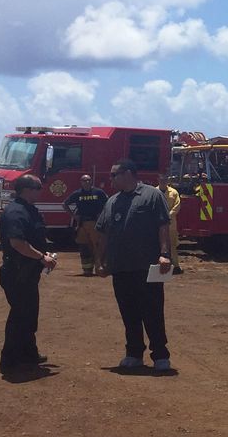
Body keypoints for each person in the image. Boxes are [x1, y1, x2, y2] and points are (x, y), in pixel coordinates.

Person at [94, 159, 174, 371]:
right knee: (129, 313)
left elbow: (163, 225)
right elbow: (101, 232)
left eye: (114, 175)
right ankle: (134, 353)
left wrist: (165, 254)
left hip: (146, 267)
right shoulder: (112, 201)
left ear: (128, 173)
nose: (110, 179)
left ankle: (160, 356)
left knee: (153, 312)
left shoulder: (151, 195)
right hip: (120, 267)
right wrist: (99, 261)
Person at [0, 174, 57, 373]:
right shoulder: (16, 211)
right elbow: (18, 243)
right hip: (17, 271)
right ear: (27, 189)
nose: (41, 191)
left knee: (29, 314)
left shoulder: (28, 210)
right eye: (38, 187)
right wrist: (41, 257)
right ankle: (10, 360)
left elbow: (33, 238)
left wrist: (43, 252)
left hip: (27, 271)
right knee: (20, 316)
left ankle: (28, 354)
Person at [63, 174, 108, 276]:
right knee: (84, 246)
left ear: (91, 181)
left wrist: (103, 216)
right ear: (81, 182)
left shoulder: (98, 192)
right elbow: (65, 204)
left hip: (95, 223)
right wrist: (74, 216)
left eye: (88, 180)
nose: (86, 182)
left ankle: (100, 268)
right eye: (84, 180)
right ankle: (87, 270)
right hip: (82, 224)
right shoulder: (77, 193)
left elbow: (108, 203)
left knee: (98, 246)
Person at [157, 176, 184, 275]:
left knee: (172, 244)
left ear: (167, 181)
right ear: (158, 180)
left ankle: (175, 266)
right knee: (157, 244)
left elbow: (177, 205)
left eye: (165, 180)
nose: (163, 181)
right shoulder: (154, 192)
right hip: (157, 223)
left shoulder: (174, 192)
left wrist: (168, 215)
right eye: (161, 180)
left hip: (170, 223)